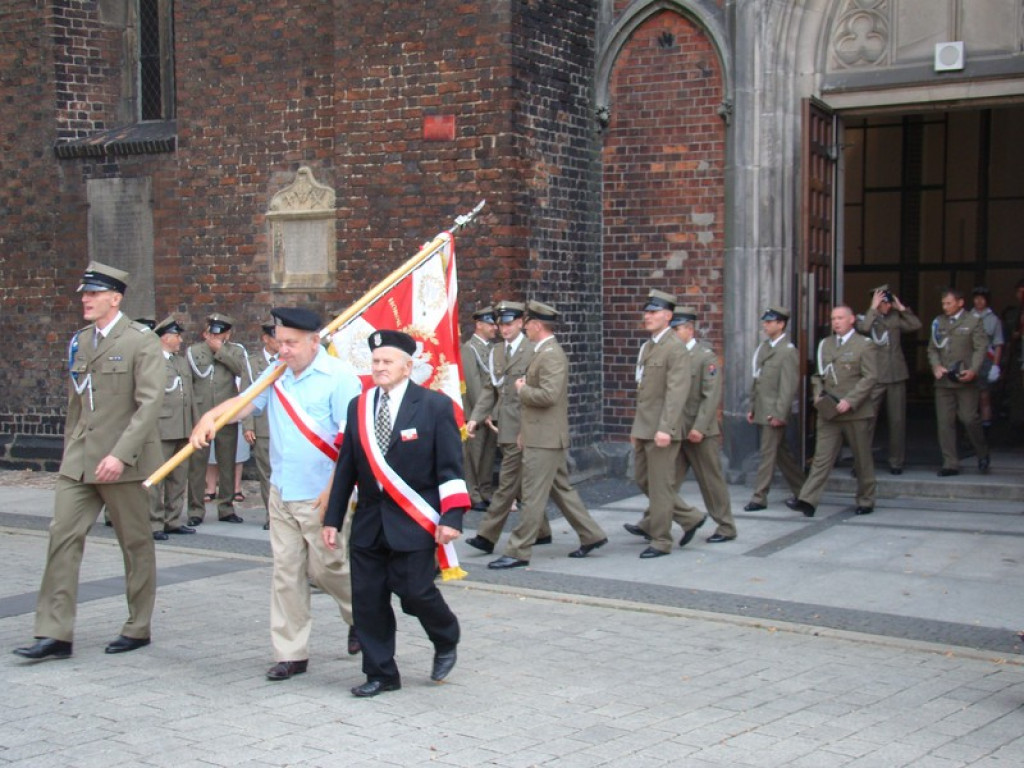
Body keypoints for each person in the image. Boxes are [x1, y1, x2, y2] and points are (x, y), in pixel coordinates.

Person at [192, 307, 363, 681]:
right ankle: (291, 652)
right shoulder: (277, 375)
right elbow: (242, 406)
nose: (282, 350)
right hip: (282, 492)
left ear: (315, 341)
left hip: (321, 494)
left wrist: (333, 493)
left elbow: (351, 442)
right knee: (286, 573)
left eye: (291, 343)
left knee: (329, 568)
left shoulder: (340, 378)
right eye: (279, 342)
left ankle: (362, 617)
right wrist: (210, 417)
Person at [13, 262, 163, 660]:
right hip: (80, 460)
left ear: (115, 298)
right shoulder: (81, 341)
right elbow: (76, 405)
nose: (85, 299)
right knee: (62, 537)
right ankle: (54, 633)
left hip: (123, 461)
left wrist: (120, 454)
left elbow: (149, 406)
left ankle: (138, 625)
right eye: (84, 293)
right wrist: (70, 449)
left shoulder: (141, 341)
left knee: (135, 544)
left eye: (93, 294)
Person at [323, 330, 468, 698]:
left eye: (387, 362)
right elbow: (347, 468)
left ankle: (446, 635)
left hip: (414, 520)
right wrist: (332, 519)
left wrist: (451, 519)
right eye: (375, 362)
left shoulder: (434, 406)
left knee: (416, 593)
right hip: (370, 523)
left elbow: (450, 469)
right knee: (368, 601)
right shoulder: (359, 406)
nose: (380, 368)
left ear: (408, 366)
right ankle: (381, 673)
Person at [487, 301, 608, 568]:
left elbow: (548, 396)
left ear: (537, 325)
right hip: (540, 436)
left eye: (527, 323)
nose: (525, 328)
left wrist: (521, 390)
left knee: (531, 495)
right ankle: (592, 535)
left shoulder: (550, 354)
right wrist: (524, 433)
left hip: (546, 439)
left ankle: (518, 551)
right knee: (561, 490)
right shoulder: (543, 352)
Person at [463, 301, 552, 554]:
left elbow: (539, 393)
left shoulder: (533, 349)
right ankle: (580, 533)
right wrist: (477, 417)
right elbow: (491, 389)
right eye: (500, 323)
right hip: (506, 427)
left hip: (526, 428)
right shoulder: (496, 352)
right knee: (548, 485)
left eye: (509, 323)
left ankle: (486, 536)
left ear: (521, 323)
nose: (504, 328)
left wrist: (528, 428)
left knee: (507, 483)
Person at [623, 290, 704, 558]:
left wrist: (666, 428)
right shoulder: (649, 346)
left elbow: (676, 392)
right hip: (645, 426)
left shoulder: (675, 348)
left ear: (668, 316)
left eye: (653, 312)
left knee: (659, 485)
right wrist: (637, 429)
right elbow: (643, 390)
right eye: (646, 312)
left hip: (661, 428)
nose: (647, 316)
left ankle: (660, 540)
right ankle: (690, 517)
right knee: (643, 479)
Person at [786, 305, 877, 517]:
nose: (836, 322)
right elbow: (819, 375)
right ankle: (808, 500)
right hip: (829, 410)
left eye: (840, 318)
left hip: (855, 411)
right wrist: (818, 394)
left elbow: (870, 377)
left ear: (852, 319)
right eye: (833, 318)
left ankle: (866, 499)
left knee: (861, 457)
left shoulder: (865, 345)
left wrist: (851, 400)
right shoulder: (825, 344)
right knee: (821, 458)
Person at [670, 308, 737, 543]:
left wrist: (699, 427)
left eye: (676, 329)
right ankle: (650, 523)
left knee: (710, 481)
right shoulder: (674, 355)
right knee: (666, 480)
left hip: (700, 431)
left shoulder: (704, 357)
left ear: (690, 329)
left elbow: (711, 396)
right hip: (677, 429)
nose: (673, 334)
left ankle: (726, 526)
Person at [186, 313, 250, 525]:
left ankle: (226, 507)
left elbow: (241, 370)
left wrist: (220, 351)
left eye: (221, 333)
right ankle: (195, 510)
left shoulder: (236, 351)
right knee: (197, 465)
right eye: (213, 333)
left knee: (227, 463)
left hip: (226, 416)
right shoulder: (194, 351)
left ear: (228, 334)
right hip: (201, 415)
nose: (216, 337)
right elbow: (189, 382)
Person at [855, 285, 922, 474]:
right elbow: (863, 328)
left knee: (897, 421)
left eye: (888, 302)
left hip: (896, 374)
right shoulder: (867, 317)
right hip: (875, 375)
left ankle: (896, 461)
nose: (886, 306)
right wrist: (873, 309)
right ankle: (861, 463)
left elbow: (916, 325)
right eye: (883, 302)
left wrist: (902, 308)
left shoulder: (895, 317)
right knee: (867, 420)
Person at [745, 306, 805, 510]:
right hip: (762, 408)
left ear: (781, 324)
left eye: (770, 322)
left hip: (773, 412)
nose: (765, 325)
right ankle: (804, 491)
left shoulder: (787, 351)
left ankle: (759, 497)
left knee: (767, 454)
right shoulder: (764, 348)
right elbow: (757, 380)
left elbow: (788, 387)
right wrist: (752, 406)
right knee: (781, 455)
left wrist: (780, 413)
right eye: (765, 321)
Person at [927, 288, 990, 476]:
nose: (945, 307)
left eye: (948, 303)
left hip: (965, 379)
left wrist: (974, 370)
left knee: (969, 418)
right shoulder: (939, 322)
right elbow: (932, 349)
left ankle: (982, 453)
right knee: (945, 423)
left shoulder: (973, 321)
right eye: (943, 304)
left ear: (960, 302)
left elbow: (981, 348)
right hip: (944, 382)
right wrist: (936, 366)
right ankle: (950, 462)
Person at [150, 316, 198, 540]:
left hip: (183, 426)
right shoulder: (151, 361)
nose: (180, 340)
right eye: (177, 336)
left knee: (179, 478)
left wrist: (195, 425)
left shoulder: (180, 362)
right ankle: (154, 522)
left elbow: (190, 395)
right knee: (156, 477)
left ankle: (173, 520)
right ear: (165, 337)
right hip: (161, 426)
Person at [461, 306, 499, 511]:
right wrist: (482, 413)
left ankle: (485, 490)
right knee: (473, 456)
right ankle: (472, 493)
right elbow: (474, 383)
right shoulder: (469, 349)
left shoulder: (492, 349)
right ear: (479, 325)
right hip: (475, 412)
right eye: (491, 324)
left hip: (490, 412)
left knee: (488, 455)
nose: (495, 328)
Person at [245, 322, 279, 530]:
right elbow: (246, 394)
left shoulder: (287, 361)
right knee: (266, 474)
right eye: (275, 338)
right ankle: (271, 515)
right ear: (266, 339)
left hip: (284, 427)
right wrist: (248, 425)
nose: (280, 343)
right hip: (262, 426)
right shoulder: (252, 363)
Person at [970, 286, 1005, 429]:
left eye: (982, 298)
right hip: (969, 361)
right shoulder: (966, 317)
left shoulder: (994, 320)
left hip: (986, 361)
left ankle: (985, 431)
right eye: (976, 298)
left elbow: (998, 344)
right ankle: (969, 432)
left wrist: (995, 366)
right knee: (969, 399)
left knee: (984, 397)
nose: (979, 301)